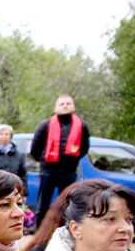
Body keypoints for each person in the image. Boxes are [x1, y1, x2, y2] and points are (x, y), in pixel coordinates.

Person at [29, 94, 91, 225]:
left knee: (68, 205)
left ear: (73, 106)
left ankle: (65, 233)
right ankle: (39, 236)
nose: (65, 106)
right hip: (48, 171)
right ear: (56, 108)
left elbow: (84, 148)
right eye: (62, 104)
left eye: (68, 103)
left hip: (69, 172)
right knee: (43, 205)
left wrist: (71, 161)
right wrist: (45, 162)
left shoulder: (82, 126)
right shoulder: (45, 125)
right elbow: (35, 149)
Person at [0, 123, 27, 190]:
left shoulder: (18, 155)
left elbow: (23, 175)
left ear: (11, 137)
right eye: (1, 134)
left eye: (6, 134)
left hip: (14, 189)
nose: (4, 136)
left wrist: (24, 192)